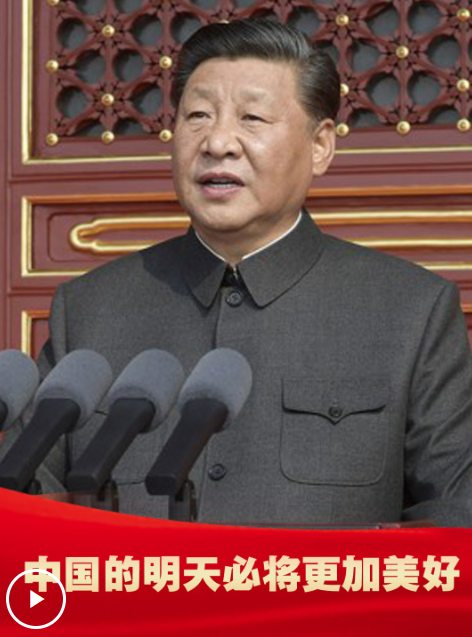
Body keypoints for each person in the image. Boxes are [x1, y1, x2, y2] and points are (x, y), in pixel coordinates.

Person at [31, 20, 472, 526]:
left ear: (320, 146)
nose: (218, 142)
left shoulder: (410, 311)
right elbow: (27, 505)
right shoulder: (91, 309)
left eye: (252, 118)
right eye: (198, 116)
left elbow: (456, 516)